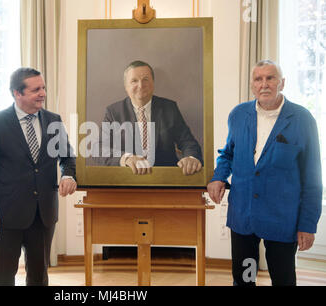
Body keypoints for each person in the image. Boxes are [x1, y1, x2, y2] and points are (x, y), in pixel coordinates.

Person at [207, 60, 322, 286]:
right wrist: (218, 176)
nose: (264, 84)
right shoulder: (238, 115)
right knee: (244, 279)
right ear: (252, 85)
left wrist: (308, 225)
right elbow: (228, 153)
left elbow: (313, 178)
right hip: (243, 215)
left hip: (282, 218)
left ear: (282, 83)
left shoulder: (302, 119)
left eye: (270, 78)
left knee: (283, 279)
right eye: (258, 79)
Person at [0, 67, 77, 286]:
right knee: (3, 277)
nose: (42, 93)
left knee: (39, 277)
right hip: (5, 217)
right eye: (35, 90)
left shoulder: (53, 120)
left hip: (43, 215)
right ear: (17, 93)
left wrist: (68, 176)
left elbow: (68, 157)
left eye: (43, 88)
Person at [96, 60, 203, 175]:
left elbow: (188, 142)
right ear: (126, 87)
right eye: (134, 81)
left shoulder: (169, 108)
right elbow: (99, 150)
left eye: (145, 79)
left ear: (153, 83)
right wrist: (126, 159)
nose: (141, 85)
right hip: (126, 180)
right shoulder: (113, 112)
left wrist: (191, 158)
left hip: (165, 181)